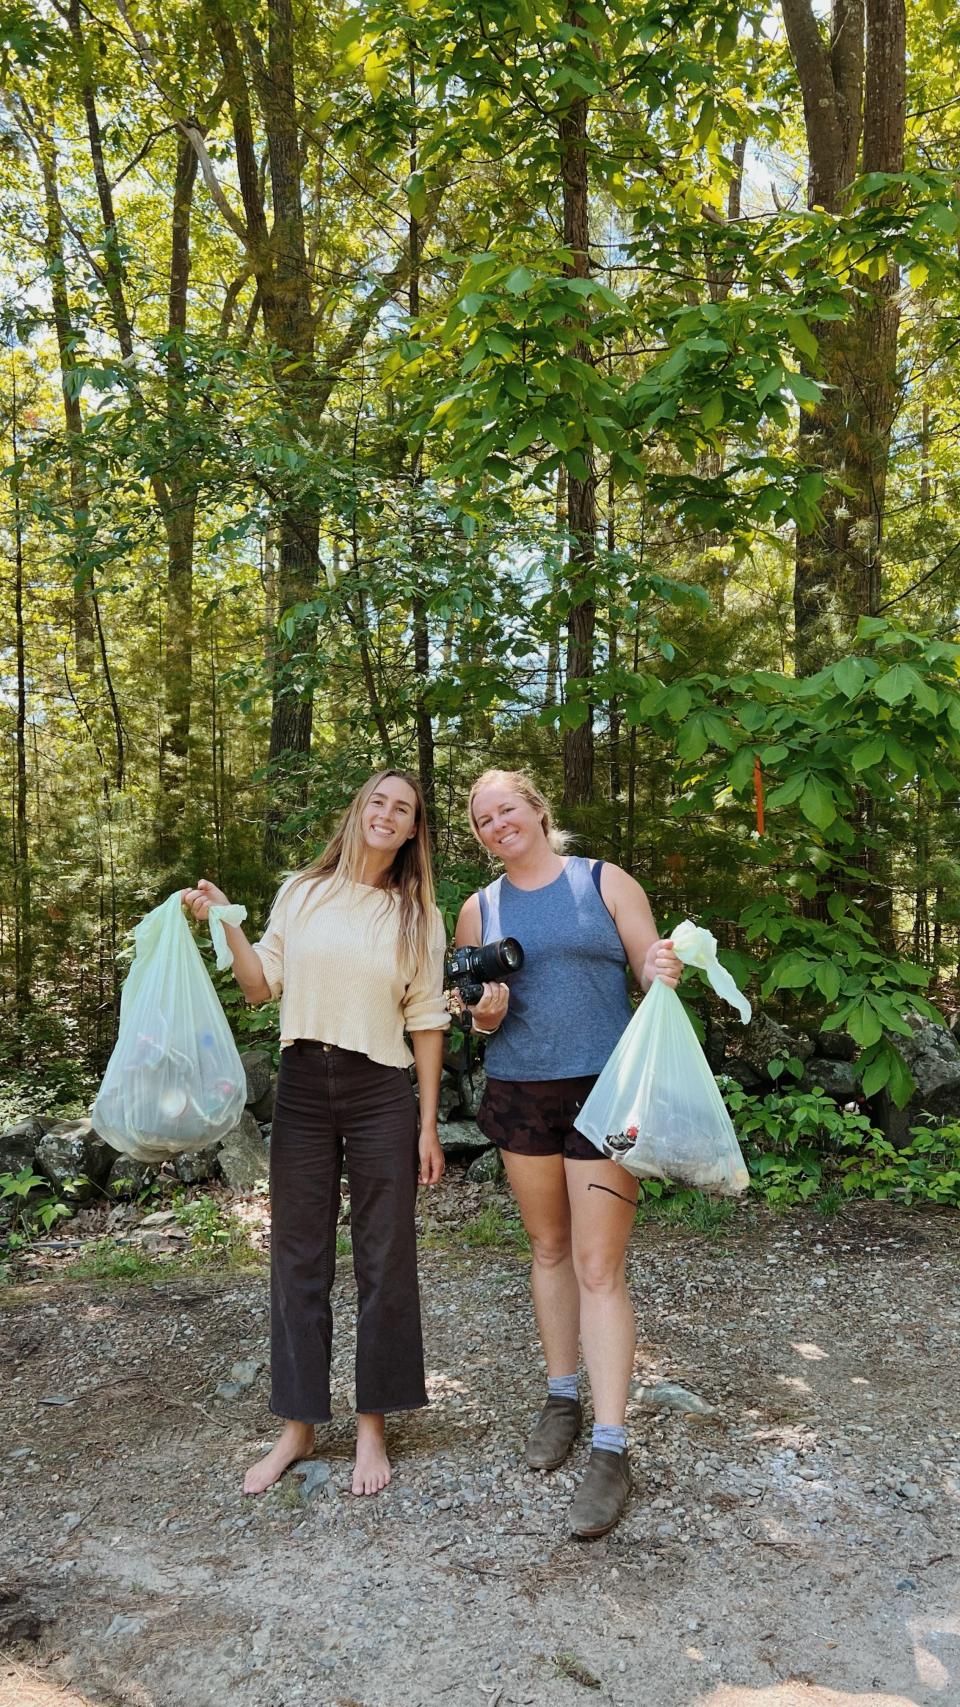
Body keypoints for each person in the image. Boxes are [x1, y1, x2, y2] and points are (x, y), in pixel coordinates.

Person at [183, 769, 448, 1498]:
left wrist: (427, 1123)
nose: (388, 815)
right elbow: (260, 984)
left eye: (404, 810)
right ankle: (297, 1425)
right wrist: (224, 921)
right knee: (297, 1256)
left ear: (413, 830)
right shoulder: (301, 891)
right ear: (358, 809)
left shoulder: (418, 914)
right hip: (303, 1087)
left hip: (379, 1091)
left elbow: (426, 1018)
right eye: (379, 801)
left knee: (384, 1255)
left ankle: (371, 1422)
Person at [455, 768, 681, 1539]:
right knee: (548, 1247)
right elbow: (475, 1016)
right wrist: (485, 1012)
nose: (497, 824)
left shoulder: (604, 880)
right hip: (521, 1092)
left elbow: (649, 964)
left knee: (597, 1265)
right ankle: (561, 1398)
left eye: (506, 809)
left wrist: (662, 966)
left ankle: (612, 1448)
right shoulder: (478, 907)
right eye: (483, 819)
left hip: (609, 1092)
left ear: (537, 809)